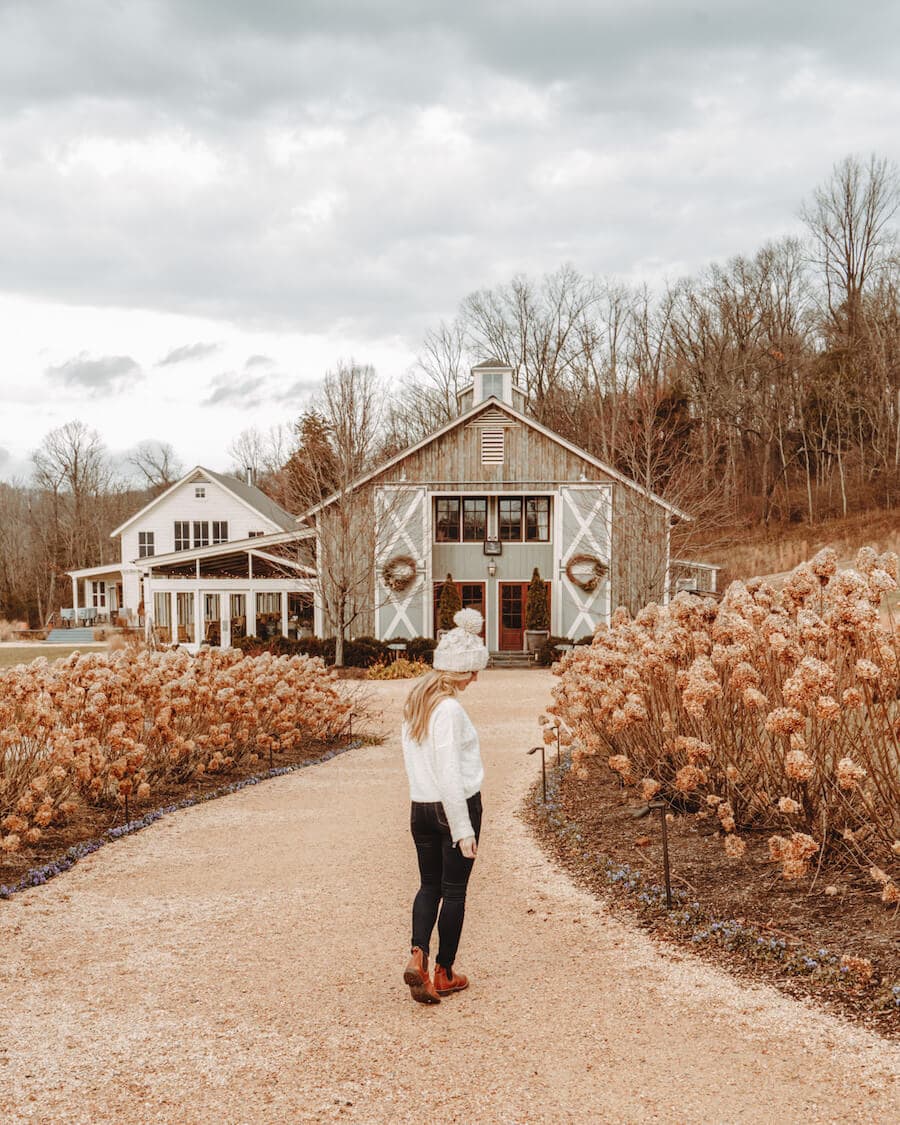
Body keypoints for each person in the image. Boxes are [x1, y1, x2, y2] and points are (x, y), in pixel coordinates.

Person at [401, 607, 488, 1005]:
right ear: (457, 671)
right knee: (454, 892)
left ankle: (418, 954)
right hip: (452, 807)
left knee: (428, 886)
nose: (475, 678)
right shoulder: (449, 709)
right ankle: (445, 970)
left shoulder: (416, 702)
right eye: (472, 671)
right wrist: (463, 828)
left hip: (420, 807)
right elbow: (450, 771)